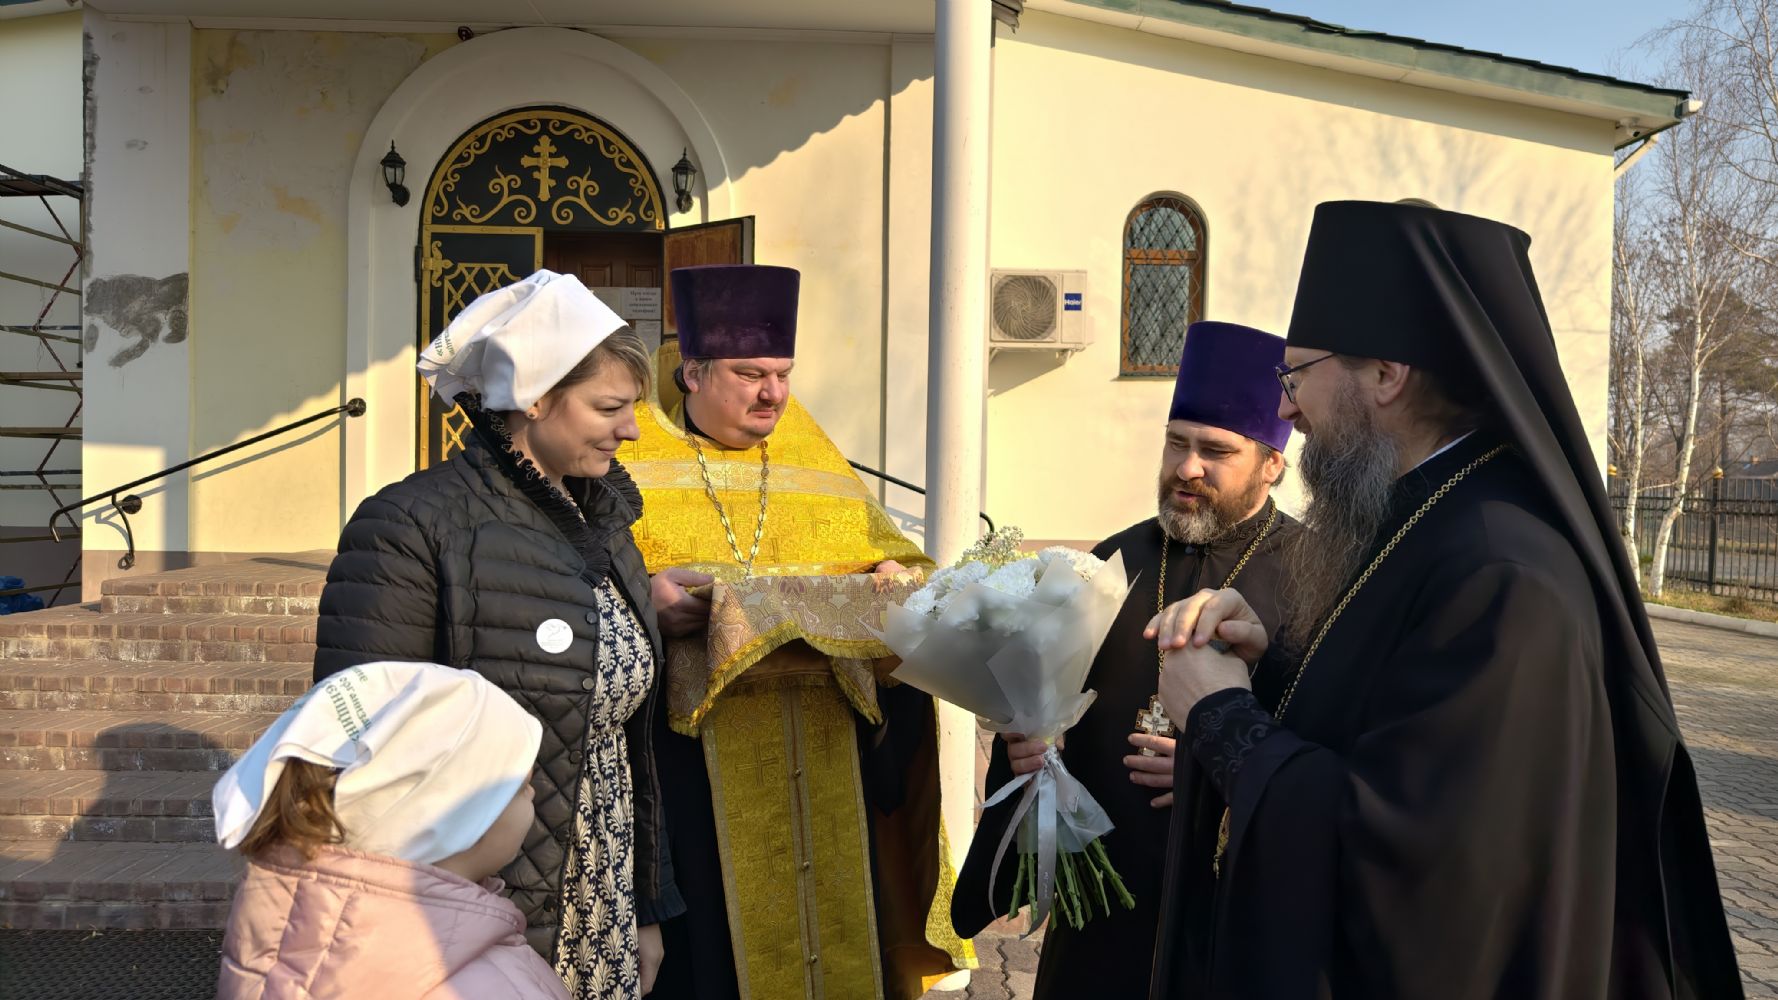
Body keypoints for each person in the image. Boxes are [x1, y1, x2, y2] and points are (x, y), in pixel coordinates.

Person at [1145, 201, 1742, 999]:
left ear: (1387, 374)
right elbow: (1384, 720)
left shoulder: (1503, 571)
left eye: (1296, 377)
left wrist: (1221, 717)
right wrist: (1269, 668)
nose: (1286, 410)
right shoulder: (1423, 513)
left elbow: (1419, 875)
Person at [312, 270, 680, 999]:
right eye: (609, 407)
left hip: (603, 886)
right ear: (534, 398)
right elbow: (361, 755)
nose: (632, 430)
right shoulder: (412, 526)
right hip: (475, 907)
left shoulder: (606, 524)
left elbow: (629, 745)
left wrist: (646, 906)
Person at [628, 264, 972, 1000]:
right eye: (751, 374)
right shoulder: (631, 455)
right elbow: (584, 578)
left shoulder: (808, 450)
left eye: (783, 374)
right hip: (695, 767)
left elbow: (903, 559)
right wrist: (643, 596)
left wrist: (893, 571)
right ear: (692, 372)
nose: (774, 395)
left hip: (826, 757)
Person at [951, 321, 1297, 998]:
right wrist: (1025, 745)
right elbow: (1039, 705)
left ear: (1271, 464)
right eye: (1176, 443)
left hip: (1228, 911)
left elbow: (1325, 740)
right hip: (1103, 911)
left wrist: (1216, 768)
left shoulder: (1315, 577)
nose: (1187, 468)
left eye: (1215, 451)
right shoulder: (1111, 561)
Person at [213, 661, 568, 1000]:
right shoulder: (488, 986)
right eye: (521, 786)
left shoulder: (283, 927)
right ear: (454, 817)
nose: (533, 794)